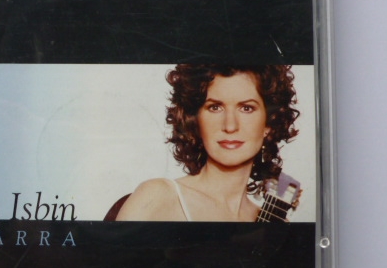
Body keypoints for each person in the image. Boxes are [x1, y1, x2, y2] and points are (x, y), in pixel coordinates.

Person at [116, 65, 299, 222]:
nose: (230, 126)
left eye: (246, 108)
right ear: (195, 120)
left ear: (268, 124)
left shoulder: (272, 222)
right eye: (215, 107)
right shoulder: (158, 197)